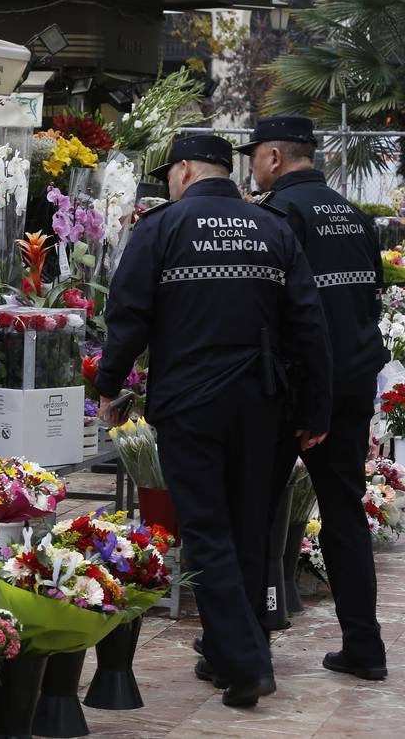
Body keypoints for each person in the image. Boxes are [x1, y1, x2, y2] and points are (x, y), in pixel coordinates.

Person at [95, 134, 331, 707]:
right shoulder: (273, 228)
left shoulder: (161, 228)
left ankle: (248, 664)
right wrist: (316, 407)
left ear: (182, 171)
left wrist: (108, 386)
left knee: (205, 531)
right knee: (251, 529)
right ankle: (233, 653)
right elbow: (308, 320)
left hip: (191, 404)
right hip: (263, 404)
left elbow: (128, 318)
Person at [237, 115, 388, 680]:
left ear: (274, 158)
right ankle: (365, 648)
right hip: (352, 381)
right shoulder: (351, 214)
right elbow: (370, 296)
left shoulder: (274, 214)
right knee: (344, 512)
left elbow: (269, 308)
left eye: (255, 156)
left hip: (292, 390)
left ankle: (246, 646)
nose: (252, 166)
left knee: (255, 510)